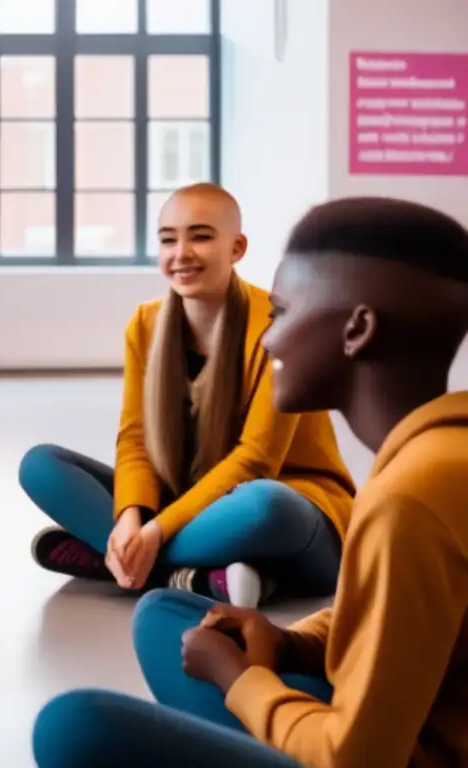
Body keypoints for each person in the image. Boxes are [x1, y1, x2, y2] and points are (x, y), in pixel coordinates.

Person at [32, 195, 468, 768]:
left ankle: (139, 561)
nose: (269, 336)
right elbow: (398, 625)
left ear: (357, 329)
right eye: (168, 238)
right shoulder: (436, 454)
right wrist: (289, 642)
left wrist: (240, 680)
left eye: (284, 313)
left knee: (72, 728)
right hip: (204, 516)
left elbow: (358, 757)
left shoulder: (406, 501)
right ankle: (180, 571)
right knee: (162, 613)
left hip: (386, 744)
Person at [20, 183, 355, 607]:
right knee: (42, 466)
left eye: (200, 236)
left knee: (266, 504)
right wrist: (129, 518)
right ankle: (197, 577)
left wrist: (156, 532)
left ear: (237, 248)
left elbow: (256, 462)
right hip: (185, 502)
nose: (181, 253)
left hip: (291, 517)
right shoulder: (146, 323)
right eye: (168, 239)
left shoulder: (282, 327)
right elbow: (135, 441)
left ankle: (124, 562)